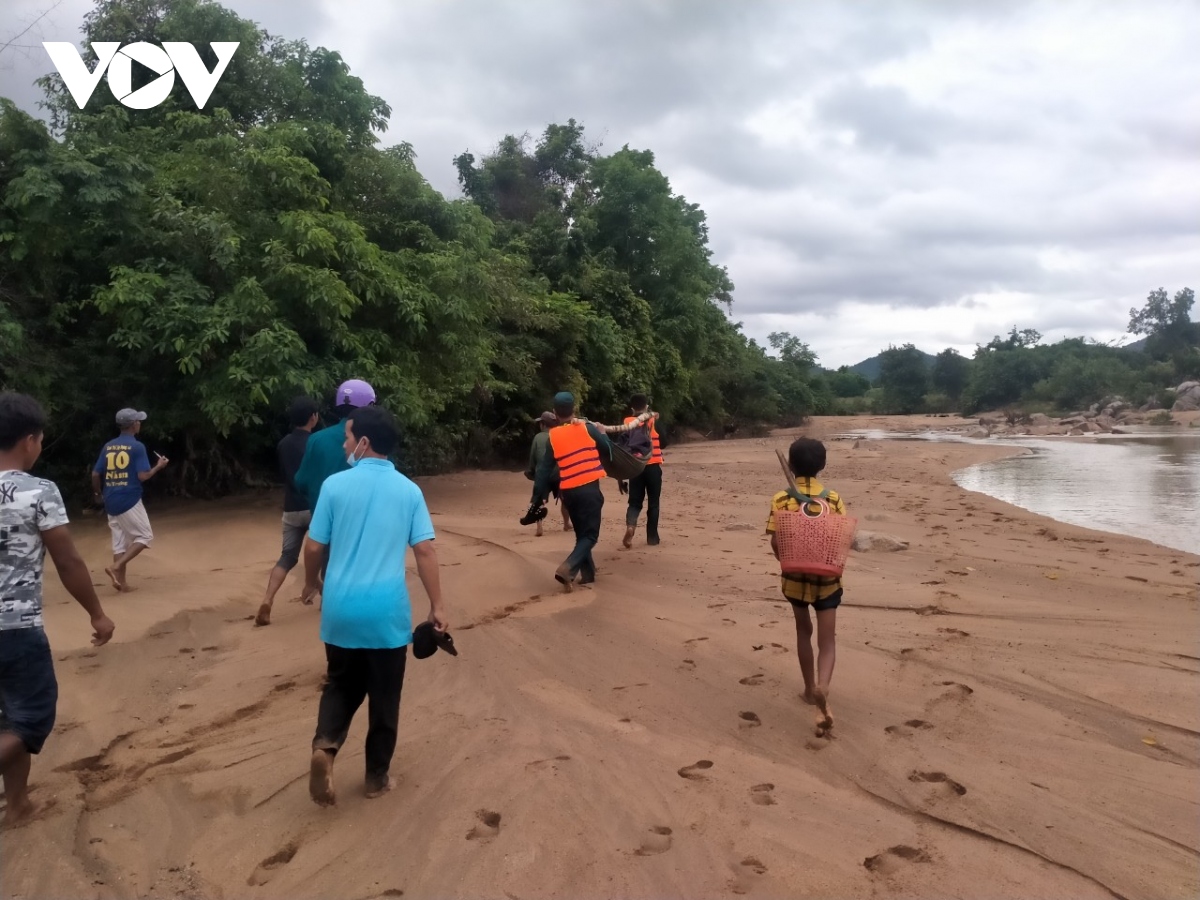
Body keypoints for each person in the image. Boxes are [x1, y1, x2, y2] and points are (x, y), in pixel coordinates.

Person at [299, 405, 448, 806]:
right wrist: (436, 605)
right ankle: (375, 778)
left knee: (341, 684)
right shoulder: (408, 490)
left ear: (364, 442)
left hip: (340, 609)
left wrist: (312, 581)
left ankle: (325, 747)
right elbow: (426, 552)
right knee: (385, 696)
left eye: (348, 437)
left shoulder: (334, 486)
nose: (345, 443)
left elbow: (313, 546)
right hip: (386, 614)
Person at [1, 392, 115, 828]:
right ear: (29, 440)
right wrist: (97, 614)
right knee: (31, 719)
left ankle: (18, 806)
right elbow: (68, 560)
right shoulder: (39, 492)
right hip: (15, 628)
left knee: (7, 721)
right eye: (41, 439)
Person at [765, 437, 847, 737]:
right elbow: (839, 538)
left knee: (803, 632)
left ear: (791, 464)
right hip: (827, 579)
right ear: (822, 465)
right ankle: (824, 686)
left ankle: (808, 688)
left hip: (795, 579)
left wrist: (785, 561)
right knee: (828, 641)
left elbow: (776, 541)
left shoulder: (781, 499)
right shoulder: (833, 499)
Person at [532, 392, 613, 589]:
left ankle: (588, 574)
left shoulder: (554, 436)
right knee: (590, 536)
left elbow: (543, 470)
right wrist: (602, 433)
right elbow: (608, 450)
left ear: (554, 413)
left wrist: (536, 497)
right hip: (589, 490)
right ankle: (568, 567)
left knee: (582, 534)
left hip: (568, 493)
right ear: (574, 409)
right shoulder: (588, 429)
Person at [255, 396, 320, 627]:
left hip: (291, 508)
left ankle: (267, 600)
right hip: (314, 507)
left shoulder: (283, 444)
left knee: (287, 557)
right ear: (313, 417)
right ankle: (323, 595)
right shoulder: (315, 443)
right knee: (322, 552)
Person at [91, 408, 168, 592]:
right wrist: (159, 466)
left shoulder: (109, 446)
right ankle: (115, 568)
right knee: (145, 536)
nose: (140, 424)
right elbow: (143, 476)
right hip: (129, 498)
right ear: (133, 425)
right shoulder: (137, 446)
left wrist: (97, 495)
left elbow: (95, 474)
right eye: (138, 421)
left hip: (110, 499)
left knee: (119, 542)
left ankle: (121, 583)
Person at [293, 379, 375, 514]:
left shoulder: (316, 439)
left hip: (323, 524)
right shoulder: (376, 441)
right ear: (370, 405)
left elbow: (301, 482)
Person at [621, 393, 664, 549]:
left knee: (634, 502)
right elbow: (664, 441)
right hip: (653, 466)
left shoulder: (627, 422)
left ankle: (631, 526)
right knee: (653, 503)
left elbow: (622, 447)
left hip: (635, 468)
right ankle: (652, 538)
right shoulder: (653, 420)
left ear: (632, 408)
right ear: (646, 406)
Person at [524, 411, 571, 537]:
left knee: (540, 500)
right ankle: (566, 523)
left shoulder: (538, 438)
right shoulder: (561, 435)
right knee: (564, 500)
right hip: (559, 474)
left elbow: (533, 458)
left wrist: (532, 471)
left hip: (542, 474)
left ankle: (539, 526)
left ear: (543, 424)